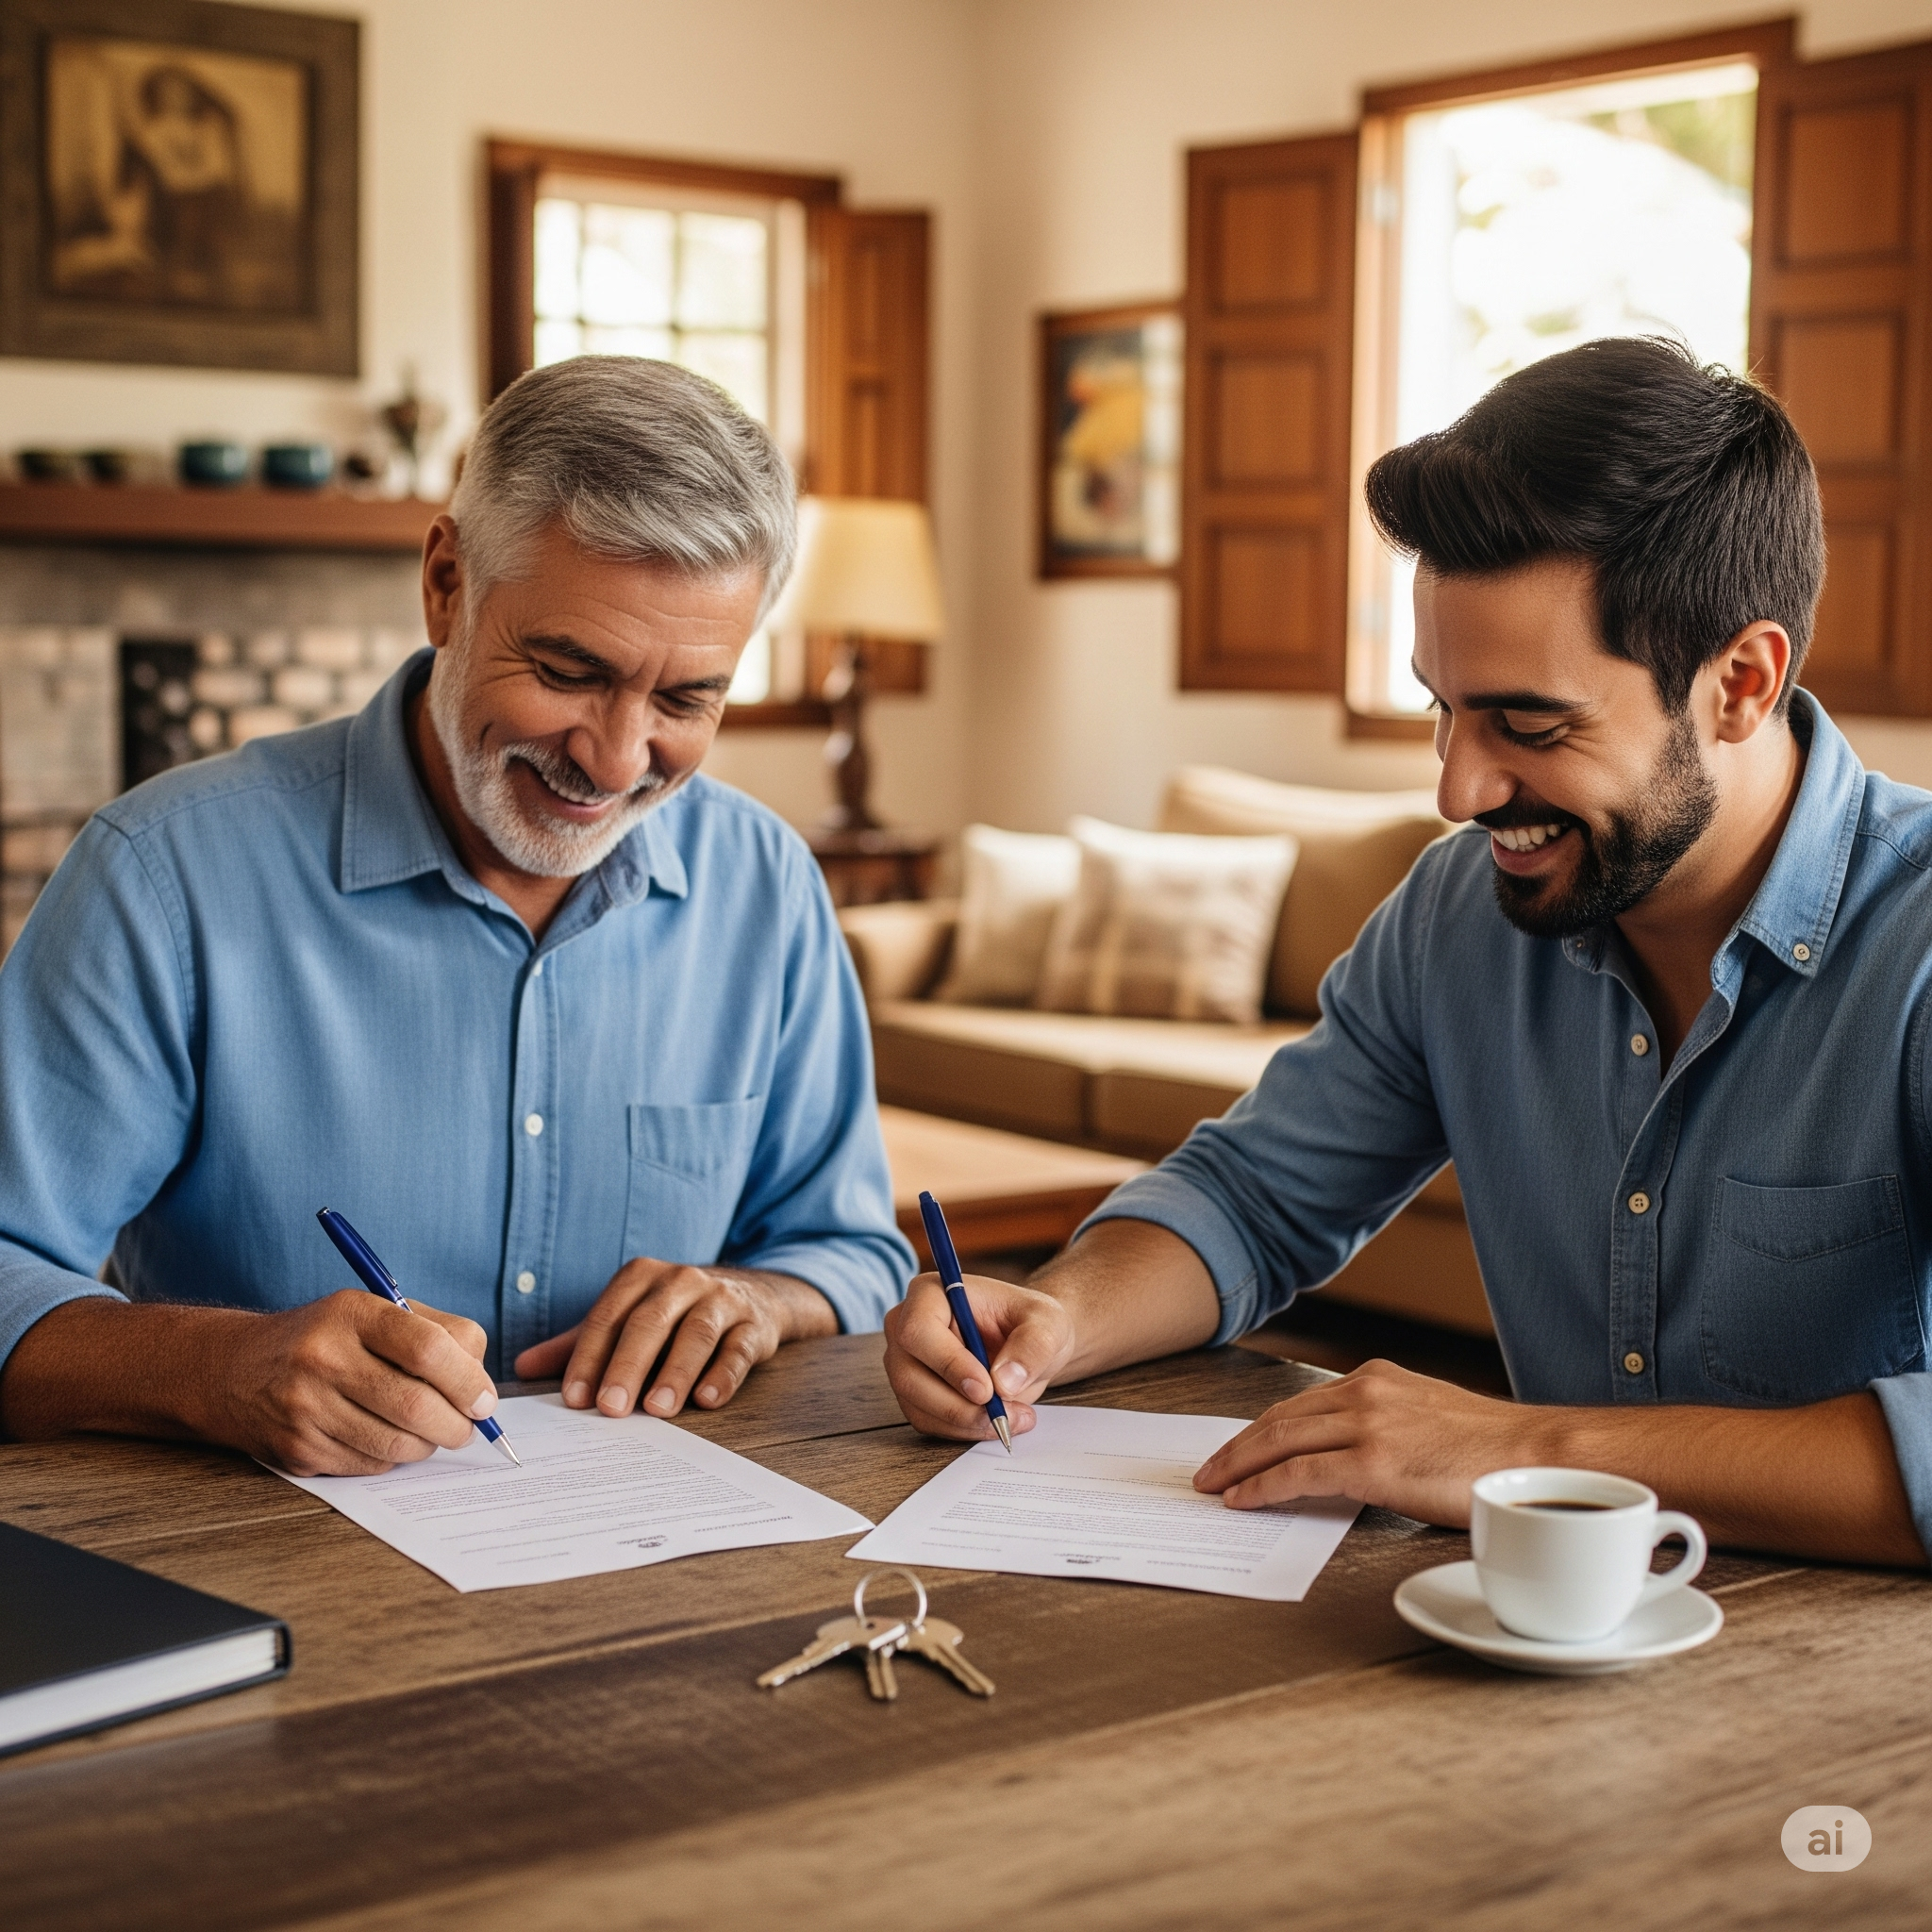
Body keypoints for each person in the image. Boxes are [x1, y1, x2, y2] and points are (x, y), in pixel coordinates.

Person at [887, 336, 1932, 1569]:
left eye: (1526, 724)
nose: (1457, 787)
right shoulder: (1459, 913)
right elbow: (1256, 1196)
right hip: (1530, 1650)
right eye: (1443, 706)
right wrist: (1057, 1314)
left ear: (1740, 684)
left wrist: (1524, 1446)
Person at [0, 357, 915, 1475]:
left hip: (661, 1564)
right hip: (261, 1570)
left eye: (685, 698)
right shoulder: (162, 877)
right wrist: (213, 1366)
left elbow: (851, 1246)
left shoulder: (766, 884)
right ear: (445, 583)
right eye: (570, 669)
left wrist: (761, 1297)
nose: (616, 758)